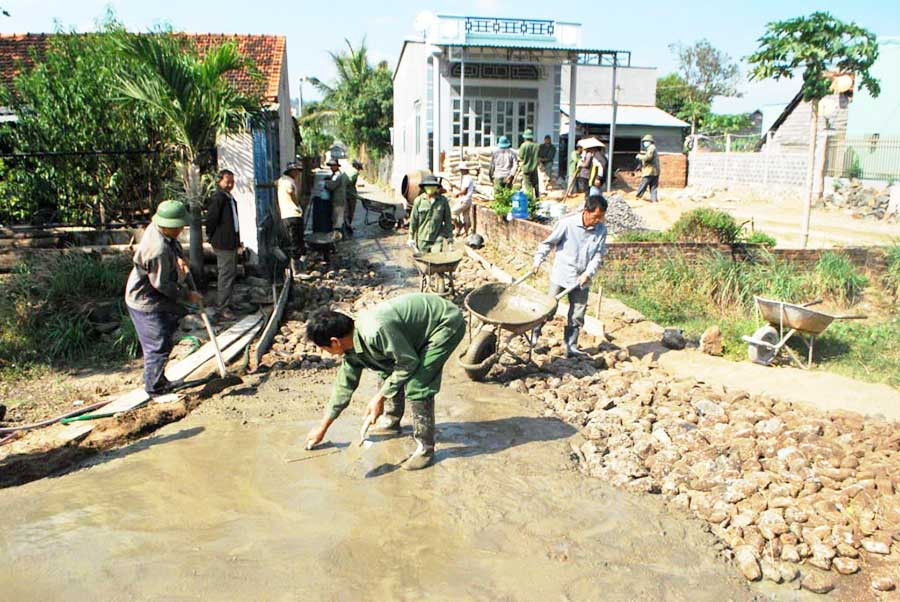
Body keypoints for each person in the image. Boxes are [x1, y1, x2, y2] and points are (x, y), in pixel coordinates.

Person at [304, 293, 466, 470]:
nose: (325, 352)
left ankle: (425, 449)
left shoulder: (375, 332)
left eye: (324, 348)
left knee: (418, 384)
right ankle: (391, 420)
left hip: (444, 322)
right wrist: (323, 427)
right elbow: (344, 386)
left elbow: (408, 362)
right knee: (384, 367)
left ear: (335, 342)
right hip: (416, 330)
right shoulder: (351, 346)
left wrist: (380, 397)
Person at [125, 200, 203, 395]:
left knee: (167, 334)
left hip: (156, 296)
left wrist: (178, 259)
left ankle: (159, 379)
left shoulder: (159, 230)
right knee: (157, 345)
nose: (181, 230)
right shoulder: (157, 249)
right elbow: (161, 284)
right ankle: (155, 389)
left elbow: (173, 247)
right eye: (178, 227)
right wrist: (187, 294)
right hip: (146, 300)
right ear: (166, 225)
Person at [532, 194, 608, 357]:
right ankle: (534, 335)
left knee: (577, 314)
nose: (598, 221)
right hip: (562, 274)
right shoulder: (567, 224)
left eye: (601, 217)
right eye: (595, 217)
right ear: (586, 211)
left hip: (582, 279)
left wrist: (588, 273)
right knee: (548, 309)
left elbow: (598, 255)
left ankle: (571, 346)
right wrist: (538, 260)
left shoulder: (601, 230)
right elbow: (548, 243)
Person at [206, 169, 241, 320]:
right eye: (227, 182)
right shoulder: (218, 198)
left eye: (232, 182)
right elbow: (211, 219)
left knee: (231, 273)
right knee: (226, 275)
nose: (230, 185)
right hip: (223, 242)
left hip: (231, 241)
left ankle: (228, 303)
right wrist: (211, 236)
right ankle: (223, 307)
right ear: (219, 181)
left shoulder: (228, 197)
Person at [408, 174, 453, 253]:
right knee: (423, 258)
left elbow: (448, 220)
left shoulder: (443, 201)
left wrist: (450, 237)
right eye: (428, 186)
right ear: (424, 187)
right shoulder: (419, 201)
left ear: (437, 187)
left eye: (433, 186)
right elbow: (413, 221)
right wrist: (411, 237)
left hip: (437, 237)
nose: (430, 188)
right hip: (422, 238)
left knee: (436, 257)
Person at [277, 162, 304, 266]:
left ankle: (292, 265)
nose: (297, 174)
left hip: (286, 215)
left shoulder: (282, 180)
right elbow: (290, 191)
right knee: (296, 241)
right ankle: (295, 266)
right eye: (296, 171)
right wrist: (297, 203)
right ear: (291, 171)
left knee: (291, 240)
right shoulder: (288, 181)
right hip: (293, 214)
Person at [324, 158, 350, 233]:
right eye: (330, 166)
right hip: (339, 199)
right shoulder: (337, 174)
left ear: (337, 166)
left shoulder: (338, 175)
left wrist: (325, 182)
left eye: (333, 166)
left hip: (338, 201)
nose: (331, 167)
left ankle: (338, 236)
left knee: (337, 221)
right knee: (339, 219)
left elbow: (332, 186)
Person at [635, 134, 661, 203]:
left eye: (646, 141)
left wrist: (639, 156)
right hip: (655, 171)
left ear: (650, 141)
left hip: (650, 171)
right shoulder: (651, 148)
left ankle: (638, 197)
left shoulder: (651, 148)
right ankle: (654, 200)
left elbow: (648, 157)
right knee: (653, 187)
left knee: (643, 184)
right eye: (644, 141)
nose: (644, 143)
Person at [452, 162, 475, 235]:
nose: (461, 171)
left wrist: (457, 194)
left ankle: (458, 227)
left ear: (465, 170)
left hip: (464, 200)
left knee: (452, 213)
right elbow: (464, 189)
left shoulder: (467, 178)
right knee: (465, 216)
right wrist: (455, 187)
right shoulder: (468, 178)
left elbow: (464, 191)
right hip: (468, 200)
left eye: (461, 170)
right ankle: (466, 232)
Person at [517, 128, 540, 200]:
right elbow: (539, 156)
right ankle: (537, 198)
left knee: (528, 185)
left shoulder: (523, 146)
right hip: (534, 168)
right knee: (536, 184)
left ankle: (530, 199)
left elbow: (521, 156)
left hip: (526, 169)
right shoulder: (537, 146)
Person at [344, 159, 363, 236]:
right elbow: (348, 181)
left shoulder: (348, 170)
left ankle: (347, 226)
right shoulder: (355, 172)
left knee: (346, 211)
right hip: (350, 194)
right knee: (350, 212)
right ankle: (348, 226)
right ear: (357, 167)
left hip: (345, 193)